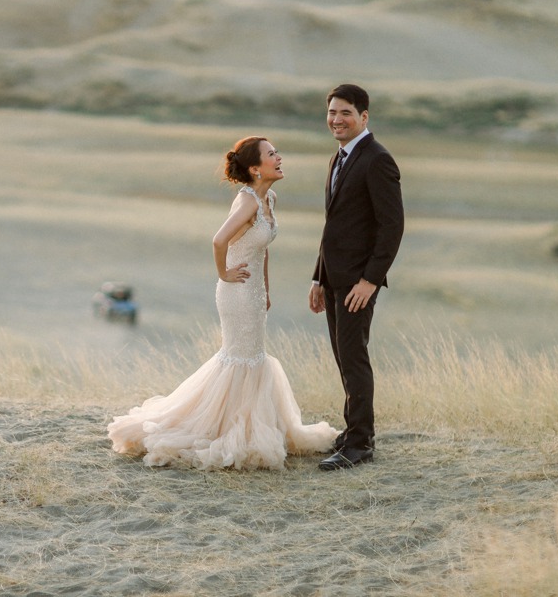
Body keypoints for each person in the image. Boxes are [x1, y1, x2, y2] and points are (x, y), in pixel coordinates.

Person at [108, 137, 338, 470]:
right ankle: (228, 432)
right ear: (255, 168)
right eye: (272, 154)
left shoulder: (269, 198)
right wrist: (224, 273)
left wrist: (267, 289)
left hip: (255, 291)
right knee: (242, 358)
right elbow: (218, 240)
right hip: (237, 293)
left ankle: (243, 427)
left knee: (252, 358)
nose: (279, 158)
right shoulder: (247, 203)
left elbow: (261, 249)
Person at [308, 84, 404, 471]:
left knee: (354, 358)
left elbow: (391, 226)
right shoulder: (340, 158)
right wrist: (318, 278)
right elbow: (334, 226)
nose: (337, 119)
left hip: (357, 283)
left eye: (345, 112)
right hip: (334, 279)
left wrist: (370, 280)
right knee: (343, 357)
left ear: (364, 117)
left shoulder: (377, 159)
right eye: (332, 112)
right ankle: (351, 432)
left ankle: (360, 443)